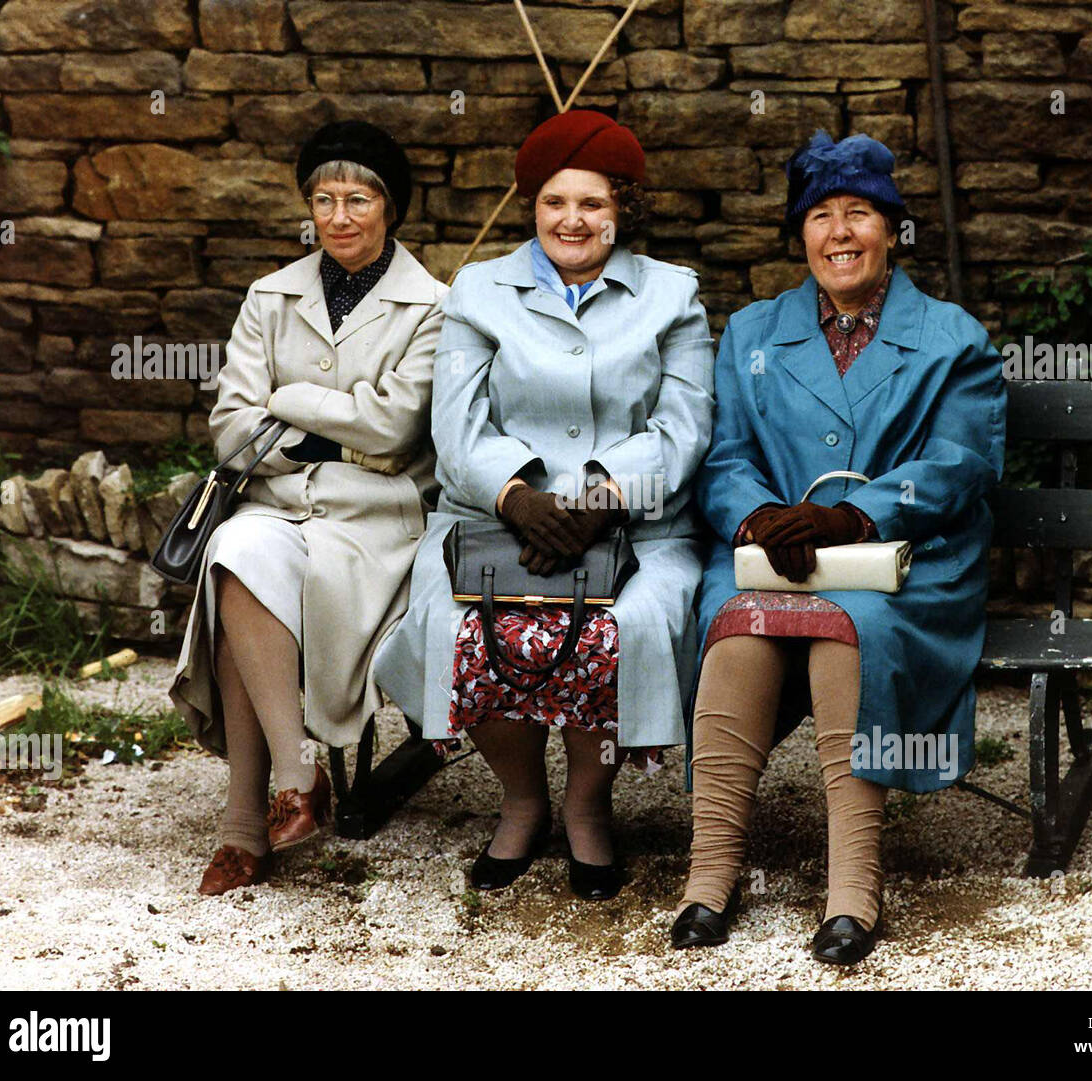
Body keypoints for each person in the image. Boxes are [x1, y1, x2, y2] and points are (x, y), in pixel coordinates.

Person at [671, 131, 1007, 962]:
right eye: (821, 216)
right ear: (802, 236)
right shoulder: (751, 331)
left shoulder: (951, 337)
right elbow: (723, 459)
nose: (840, 232)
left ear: (892, 229)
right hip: (770, 556)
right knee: (738, 622)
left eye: (859, 213)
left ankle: (853, 880)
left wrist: (852, 515)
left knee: (845, 623)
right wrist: (757, 518)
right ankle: (710, 873)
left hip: (904, 562)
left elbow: (962, 464)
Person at [374, 110, 715, 901]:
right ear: (532, 205)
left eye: (592, 203)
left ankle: (588, 804)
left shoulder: (673, 295)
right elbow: (455, 427)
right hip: (494, 522)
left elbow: (686, 421)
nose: (573, 220)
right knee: (466, 625)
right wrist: (520, 498)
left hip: (636, 522)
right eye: (555, 201)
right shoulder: (479, 290)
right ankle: (523, 797)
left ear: (622, 208)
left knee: (617, 625)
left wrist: (601, 500)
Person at [169, 120, 449, 896]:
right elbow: (232, 431)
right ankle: (298, 774)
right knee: (237, 553)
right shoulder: (270, 296)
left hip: (377, 519)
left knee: (244, 583)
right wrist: (331, 435)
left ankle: (242, 827)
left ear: (389, 207)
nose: (340, 216)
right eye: (323, 199)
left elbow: (397, 429)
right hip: (277, 501)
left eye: (358, 198)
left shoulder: (432, 305)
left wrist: (288, 402)